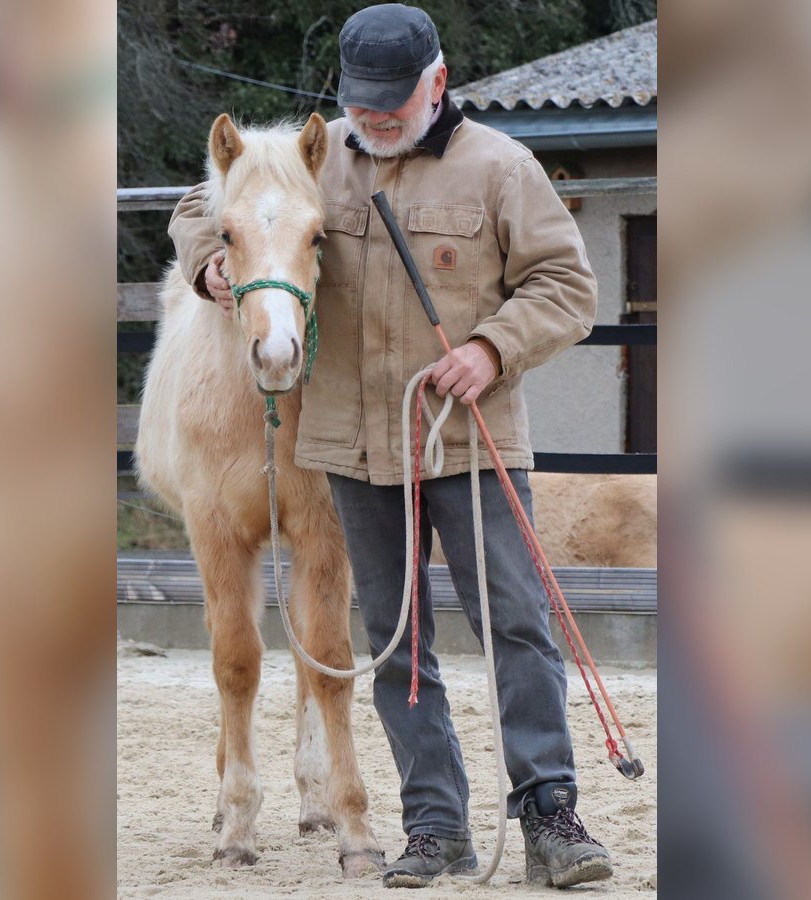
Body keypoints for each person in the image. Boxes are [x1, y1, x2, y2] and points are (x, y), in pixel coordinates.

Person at [170, 3, 611, 889]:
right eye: (358, 102)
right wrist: (204, 263)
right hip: (352, 451)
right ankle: (435, 825)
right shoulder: (313, 153)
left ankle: (551, 814)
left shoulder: (502, 167)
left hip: (468, 440)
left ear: (437, 83)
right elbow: (202, 203)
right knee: (394, 642)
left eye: (389, 105)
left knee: (517, 627)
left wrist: (492, 348)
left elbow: (567, 284)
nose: (368, 121)